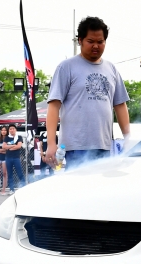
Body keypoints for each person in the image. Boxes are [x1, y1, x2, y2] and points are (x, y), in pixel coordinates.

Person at [44, 16, 131, 170]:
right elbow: (54, 106)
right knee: (78, 190)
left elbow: (120, 105)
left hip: (104, 145)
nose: (96, 46)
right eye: (91, 41)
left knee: (100, 191)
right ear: (80, 40)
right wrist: (52, 143)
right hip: (76, 147)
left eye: (100, 41)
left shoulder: (111, 69)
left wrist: (128, 138)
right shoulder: (66, 67)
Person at [0, 124, 24, 191]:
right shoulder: (7, 138)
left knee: (20, 173)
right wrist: (13, 146)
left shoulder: (19, 137)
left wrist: (9, 147)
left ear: (15, 129)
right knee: (10, 174)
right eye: (10, 129)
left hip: (16, 158)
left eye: (13, 128)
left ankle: (24, 187)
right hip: (8, 158)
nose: (12, 130)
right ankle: (11, 189)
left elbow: (19, 146)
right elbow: (3, 146)